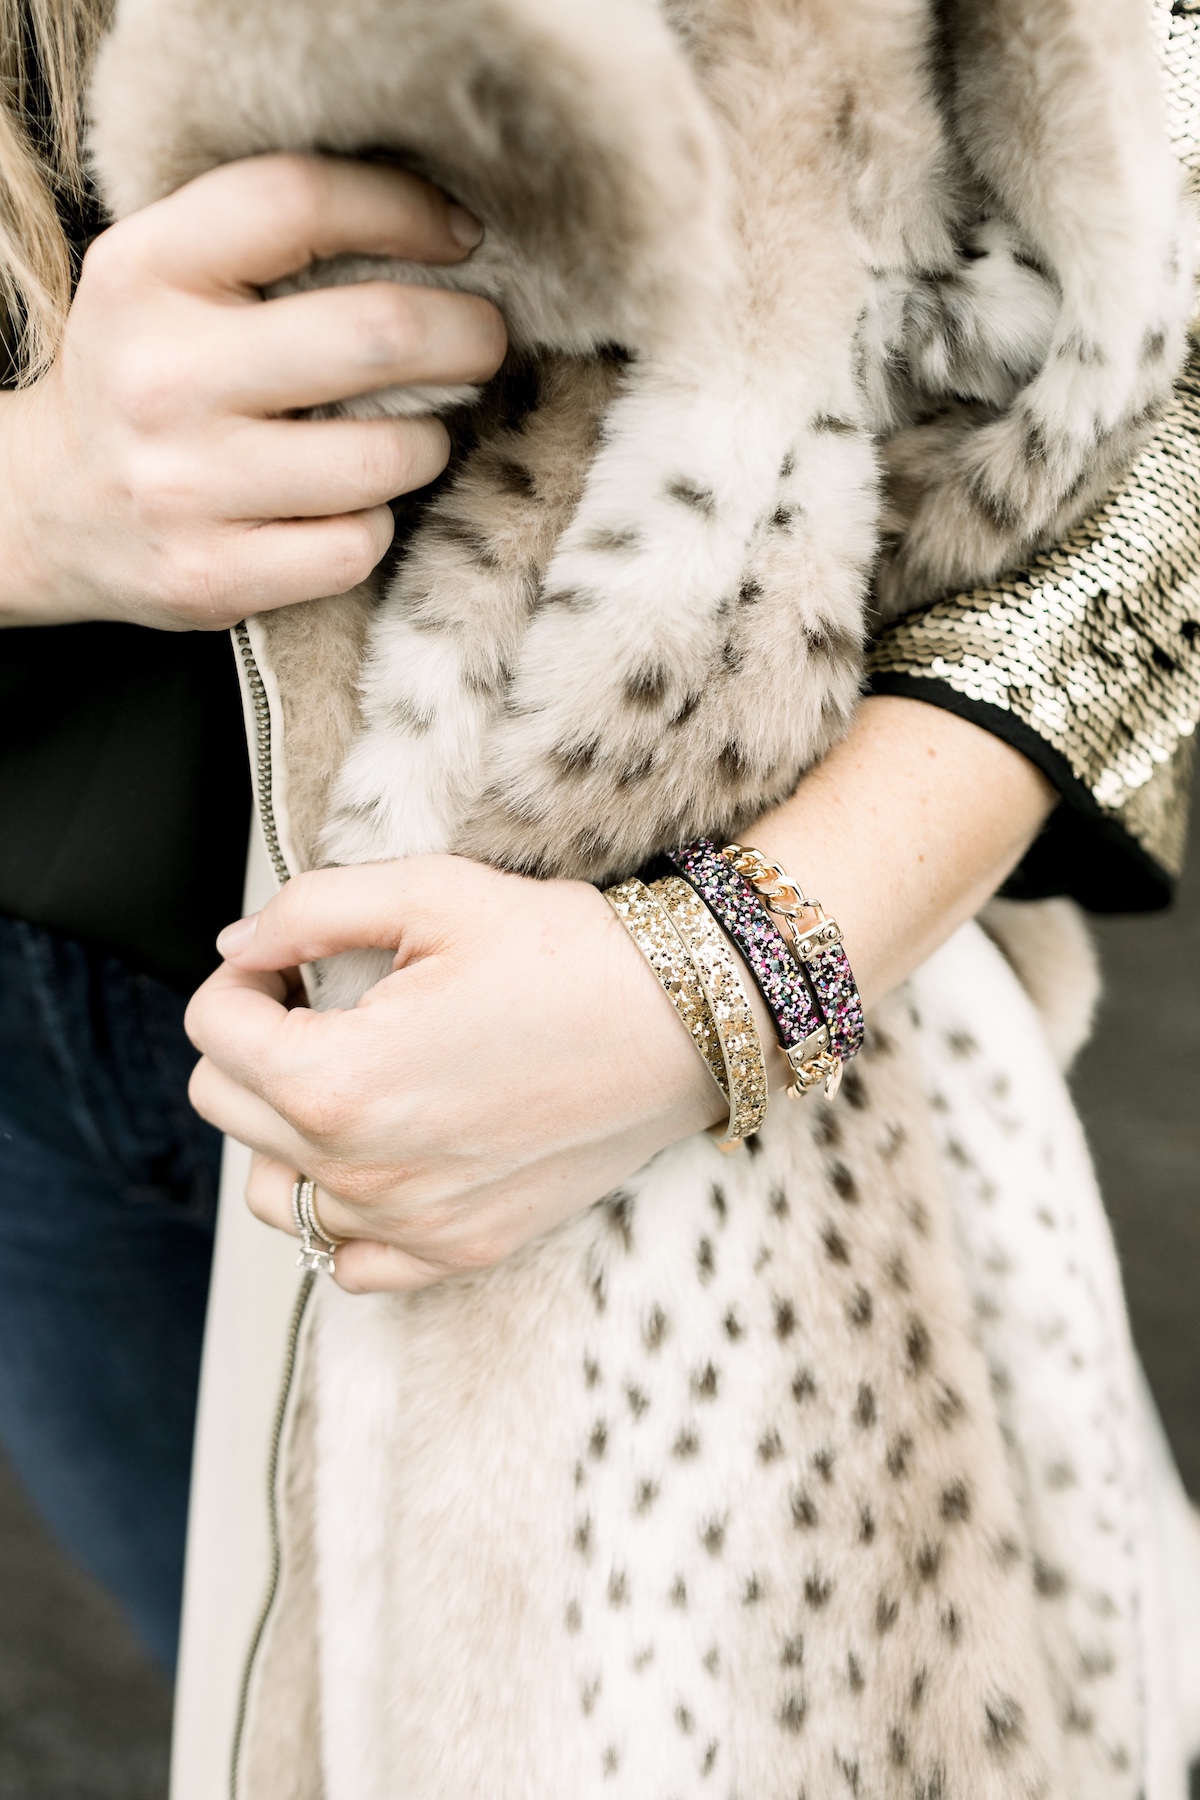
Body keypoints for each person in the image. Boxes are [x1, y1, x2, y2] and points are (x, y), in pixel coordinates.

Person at [3, 0, 1200, 1790]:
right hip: (34, 1064)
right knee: (240, 1699)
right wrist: (33, 499)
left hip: (655, 1062)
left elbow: (1166, 309)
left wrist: (735, 972)